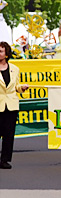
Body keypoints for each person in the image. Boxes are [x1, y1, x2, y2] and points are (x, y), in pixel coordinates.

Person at [0, 41, 29, 169]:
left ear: (6, 54)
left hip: (11, 104)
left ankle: (5, 160)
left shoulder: (15, 69)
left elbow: (16, 86)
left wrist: (22, 88)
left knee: (9, 133)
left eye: (1, 51)